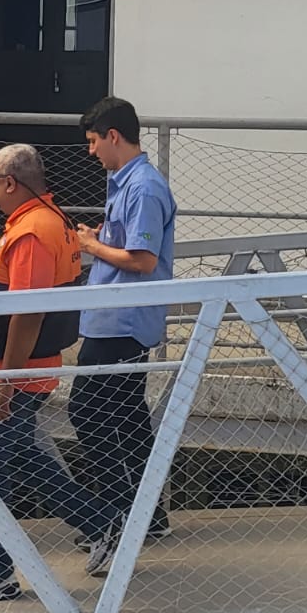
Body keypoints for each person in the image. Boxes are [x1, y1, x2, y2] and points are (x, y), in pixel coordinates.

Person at [0, 143, 118, 605]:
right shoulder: (54, 222)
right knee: (21, 457)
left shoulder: (31, 233)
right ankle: (102, 522)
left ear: (9, 183)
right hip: (29, 370)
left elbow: (26, 313)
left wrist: (5, 381)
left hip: (4, 375)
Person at [72, 98, 178, 544]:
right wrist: (99, 240)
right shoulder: (127, 183)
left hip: (122, 322)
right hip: (116, 319)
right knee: (128, 417)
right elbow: (130, 248)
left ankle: (117, 517)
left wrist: (91, 248)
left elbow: (142, 259)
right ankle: (146, 514)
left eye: (94, 142)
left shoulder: (143, 188)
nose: (91, 152)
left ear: (113, 136)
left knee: (87, 413)